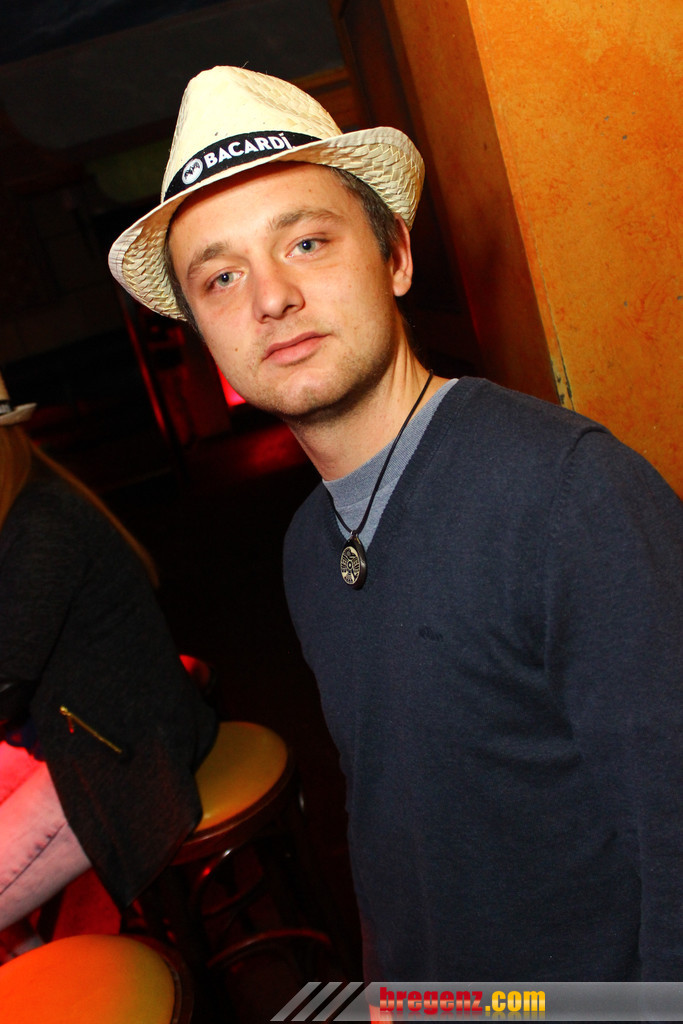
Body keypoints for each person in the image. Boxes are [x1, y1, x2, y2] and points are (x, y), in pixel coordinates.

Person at [108, 65, 683, 989]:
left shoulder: (568, 495)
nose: (269, 298)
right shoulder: (307, 545)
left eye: (305, 242)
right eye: (221, 277)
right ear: (204, 332)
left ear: (396, 258)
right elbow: (394, 819)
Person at [0, 374, 217, 951]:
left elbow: (5, 677)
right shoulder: (29, 503)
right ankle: (39, 963)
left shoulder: (40, 524)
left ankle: (67, 979)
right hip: (91, 728)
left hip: (122, 757)